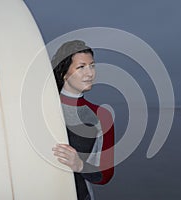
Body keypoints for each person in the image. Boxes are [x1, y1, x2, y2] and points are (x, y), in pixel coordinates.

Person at [51, 40, 114, 200]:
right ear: (64, 73)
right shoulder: (42, 107)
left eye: (92, 66)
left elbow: (105, 175)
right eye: (81, 67)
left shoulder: (101, 116)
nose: (90, 73)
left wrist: (79, 165)